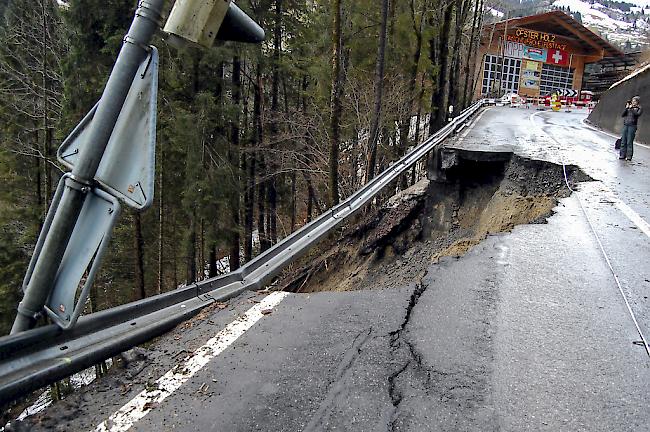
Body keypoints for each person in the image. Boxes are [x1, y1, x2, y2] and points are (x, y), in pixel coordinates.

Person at [619, 96, 642, 161]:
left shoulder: (639, 108)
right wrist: (626, 108)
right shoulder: (629, 108)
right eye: (632, 101)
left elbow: (637, 114)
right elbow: (623, 115)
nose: (633, 102)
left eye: (634, 101)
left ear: (637, 102)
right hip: (626, 125)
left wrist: (631, 108)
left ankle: (629, 156)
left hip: (632, 126)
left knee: (629, 141)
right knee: (623, 140)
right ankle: (622, 154)